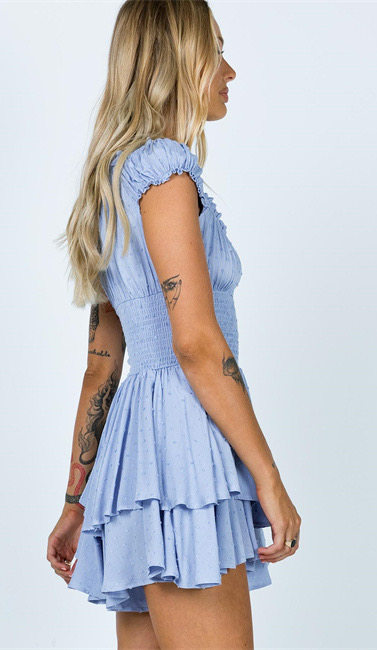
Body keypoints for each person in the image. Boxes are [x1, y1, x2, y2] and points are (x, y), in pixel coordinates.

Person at [47, 1, 301, 647]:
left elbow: (100, 368)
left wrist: (78, 500)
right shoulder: (164, 169)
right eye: (216, 51)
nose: (229, 71)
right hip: (184, 448)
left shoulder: (111, 184)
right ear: (178, 60)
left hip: (135, 460)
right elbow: (195, 344)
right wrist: (269, 480)